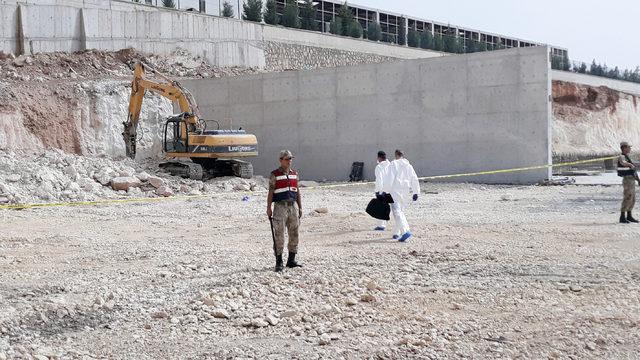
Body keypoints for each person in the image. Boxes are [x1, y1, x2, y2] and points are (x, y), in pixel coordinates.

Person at [267, 150, 303, 272]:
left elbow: (297, 191)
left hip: (293, 206)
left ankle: (291, 260)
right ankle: (279, 261)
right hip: (280, 207)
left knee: (294, 233)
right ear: (281, 160)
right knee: (279, 234)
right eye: (287, 159)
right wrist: (269, 208)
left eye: (290, 159)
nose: (289, 161)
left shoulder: (295, 174)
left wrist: (300, 207)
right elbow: (271, 192)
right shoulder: (275, 174)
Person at [382, 149, 420, 242]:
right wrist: (416, 192)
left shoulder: (394, 164)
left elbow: (389, 178)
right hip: (405, 191)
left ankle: (404, 231)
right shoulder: (409, 166)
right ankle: (396, 233)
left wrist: (385, 190)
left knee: (396, 212)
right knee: (401, 212)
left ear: (396, 155)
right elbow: (414, 178)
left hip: (395, 191)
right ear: (403, 155)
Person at [617, 141, 640, 223]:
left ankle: (629, 215)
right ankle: (622, 217)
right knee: (627, 197)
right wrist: (630, 165)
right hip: (627, 180)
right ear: (624, 148)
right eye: (628, 147)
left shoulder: (627, 157)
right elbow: (623, 163)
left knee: (632, 198)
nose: (630, 148)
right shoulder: (622, 156)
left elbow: (633, 171)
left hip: (632, 180)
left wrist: (638, 179)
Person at [374, 150, 391, 231]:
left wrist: (377, 191)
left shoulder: (379, 167)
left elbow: (379, 180)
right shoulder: (391, 165)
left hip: (382, 190)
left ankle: (381, 226)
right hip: (391, 189)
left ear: (379, 157)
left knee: (381, 207)